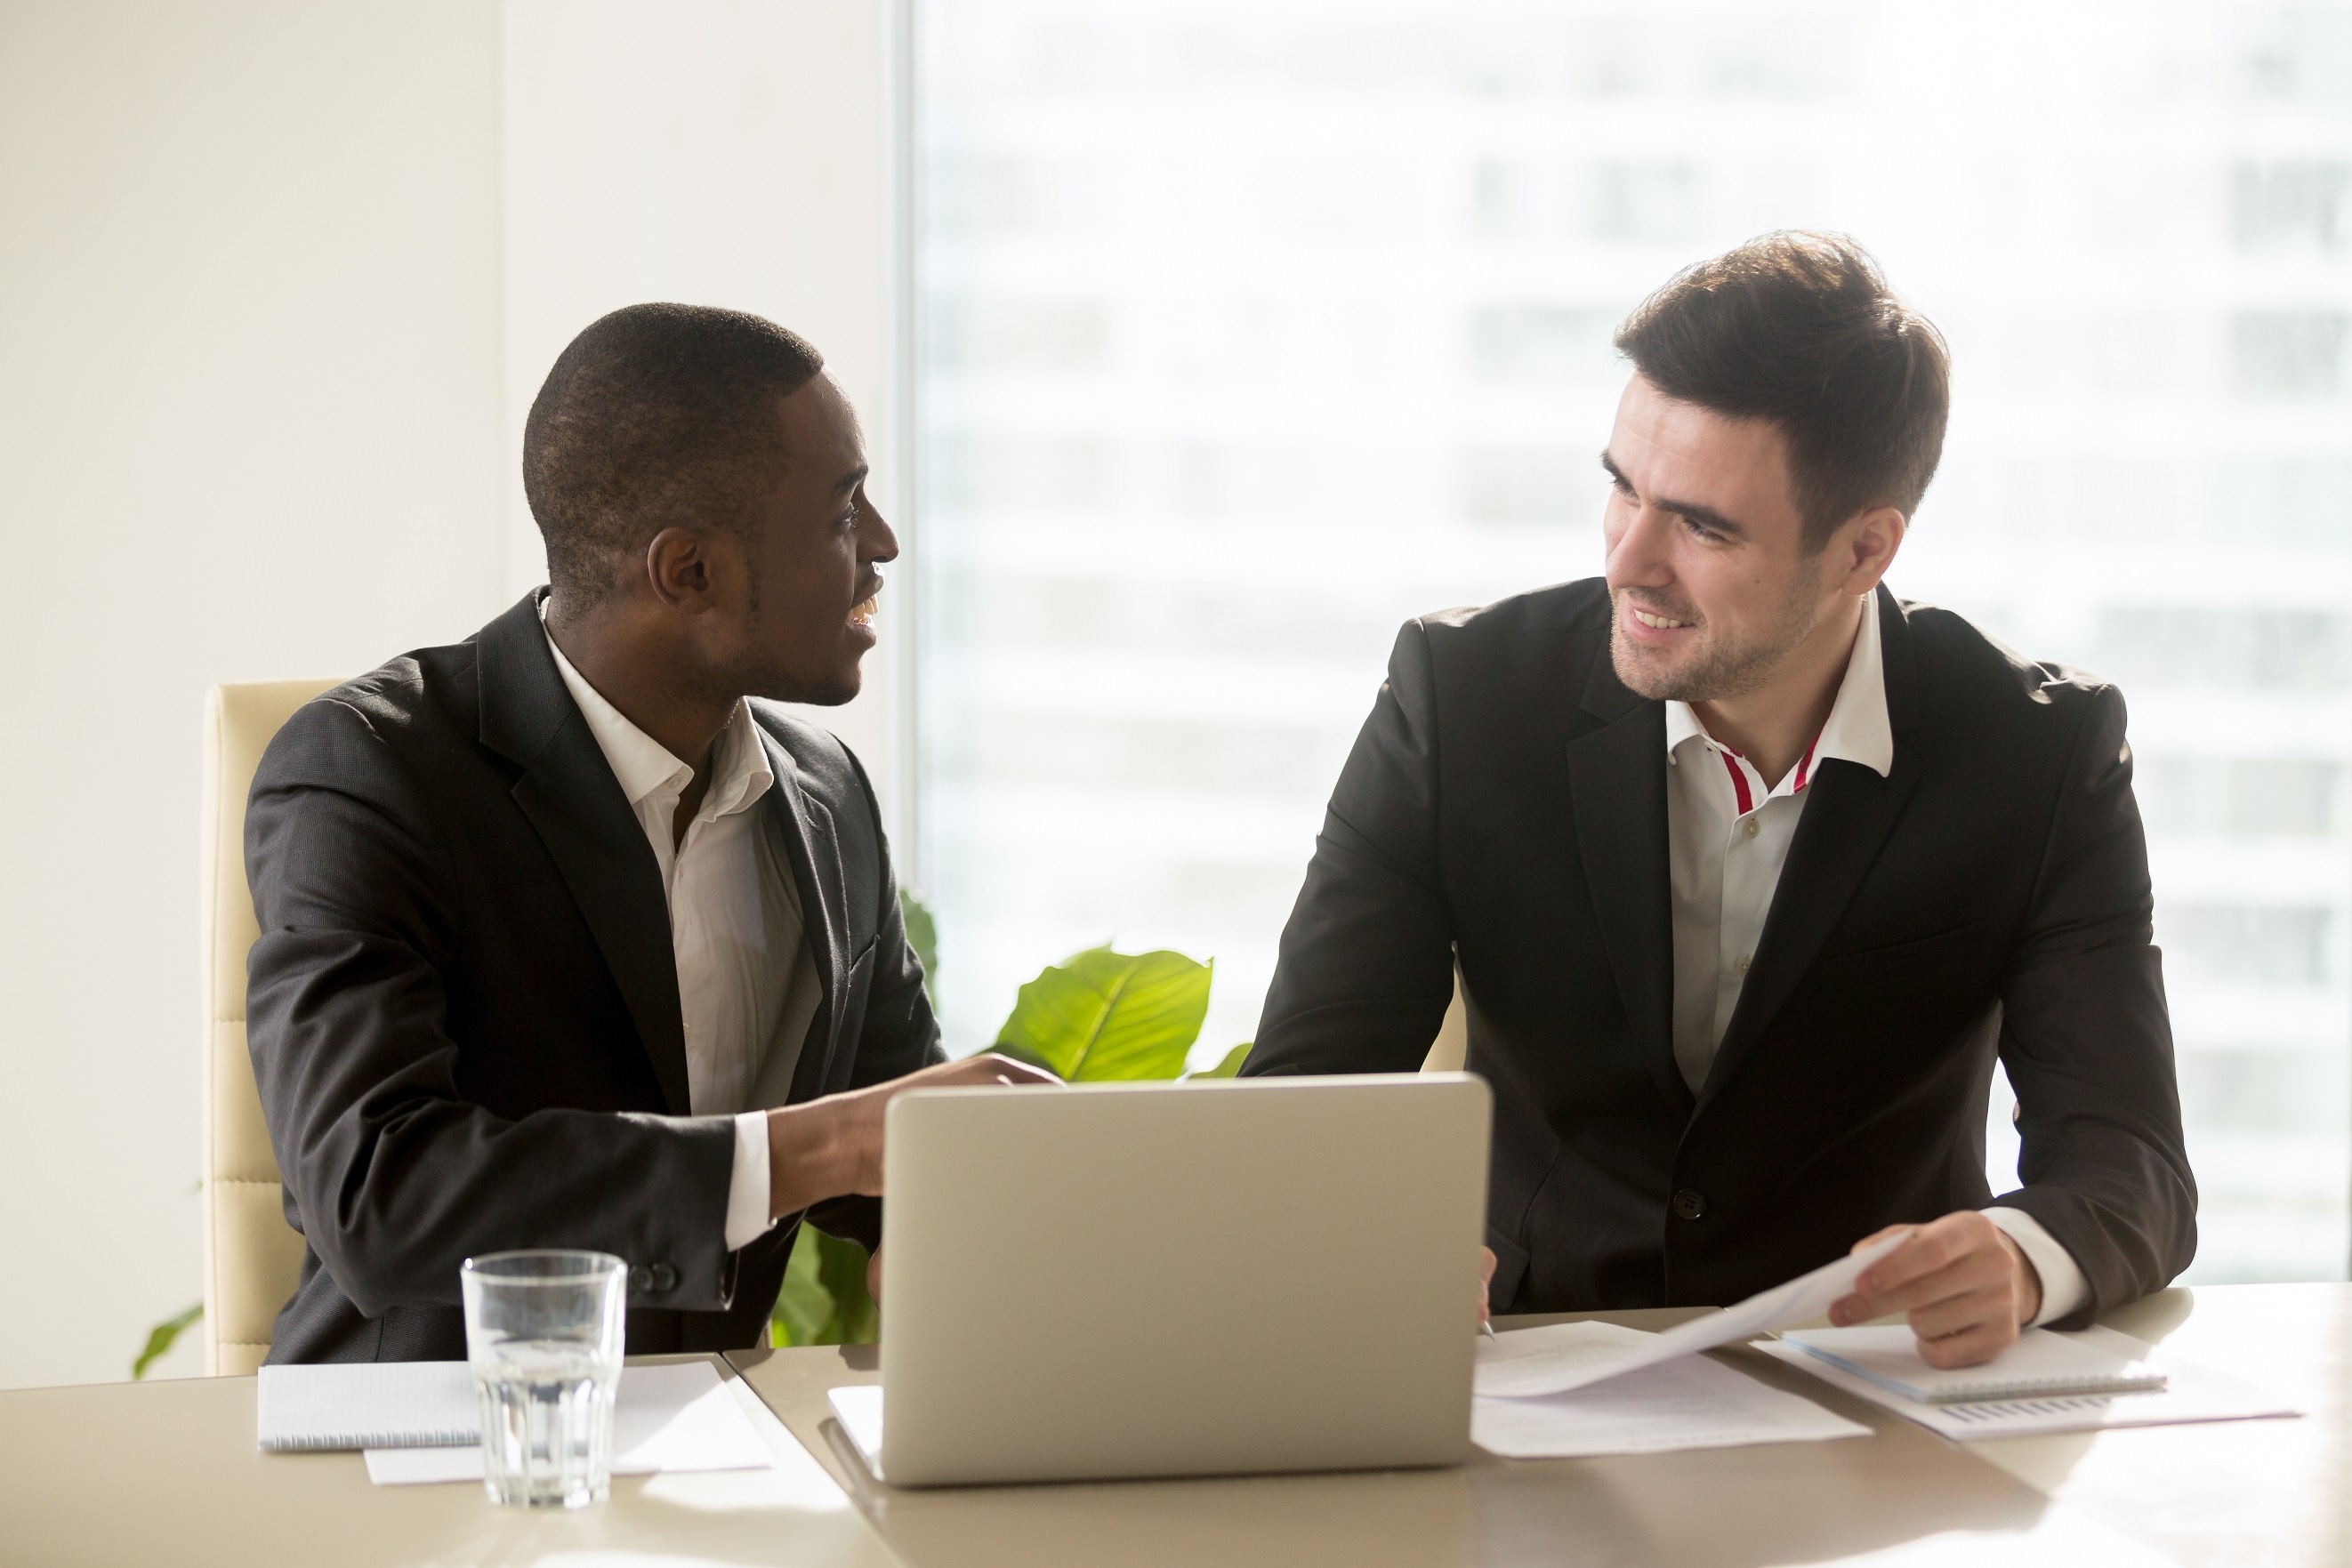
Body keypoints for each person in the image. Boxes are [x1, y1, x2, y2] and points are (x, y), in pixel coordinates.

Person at [1243, 233, 2195, 1368]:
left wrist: (2024, 1255)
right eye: (1621, 489)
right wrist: (1369, 1233)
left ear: (1863, 550)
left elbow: (2129, 1157)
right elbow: (1302, 1096)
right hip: (1526, 1363)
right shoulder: (1460, 698)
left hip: (1870, 1390)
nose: (1629, 561)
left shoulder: (2039, 753)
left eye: (1701, 524)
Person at [246, 303, 1053, 1363]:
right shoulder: (370, 775)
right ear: (690, 572)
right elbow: (380, 1192)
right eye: (842, 512)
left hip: (726, 1456)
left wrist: (990, 1209)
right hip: (420, 1465)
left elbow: (895, 1156)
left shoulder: (825, 792)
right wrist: (823, 1144)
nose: (884, 546)